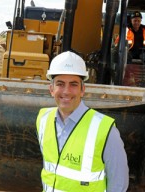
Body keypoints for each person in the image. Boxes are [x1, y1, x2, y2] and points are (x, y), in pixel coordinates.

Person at [36, 51, 129, 191]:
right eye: (60, 84)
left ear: (82, 89)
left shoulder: (105, 130)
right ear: (51, 89)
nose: (66, 91)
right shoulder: (43, 119)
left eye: (73, 84)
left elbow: (119, 184)